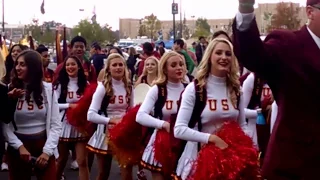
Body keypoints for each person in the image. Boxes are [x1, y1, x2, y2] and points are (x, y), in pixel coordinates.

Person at [233, 0, 320, 178]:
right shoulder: (289, 44)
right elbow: (253, 55)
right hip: (295, 164)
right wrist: (246, 8)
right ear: (310, 12)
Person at [173, 38, 248, 179]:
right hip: (199, 160)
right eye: (218, 53)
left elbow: (242, 125)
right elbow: (179, 129)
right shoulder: (195, 89)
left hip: (230, 161)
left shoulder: (237, 89)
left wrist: (248, 149)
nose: (224, 57)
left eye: (228, 54)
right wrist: (212, 139)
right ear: (209, 56)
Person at [3, 50, 61, 180]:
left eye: (22, 64)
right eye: (17, 64)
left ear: (33, 66)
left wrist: (47, 152)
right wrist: (19, 146)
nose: (18, 68)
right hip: (17, 148)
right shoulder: (8, 90)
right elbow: (4, 124)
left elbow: (56, 124)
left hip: (43, 146)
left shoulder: (48, 89)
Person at [136, 51, 187, 180]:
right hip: (162, 143)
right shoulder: (158, 89)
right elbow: (140, 116)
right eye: (173, 65)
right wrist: (163, 124)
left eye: (181, 64)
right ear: (164, 69)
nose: (179, 68)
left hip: (185, 144)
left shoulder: (190, 89)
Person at [87, 53, 134, 180]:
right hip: (105, 133)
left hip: (124, 133)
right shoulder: (103, 87)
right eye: (114, 65)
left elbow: (131, 111)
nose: (118, 68)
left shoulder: (129, 86)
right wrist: (111, 120)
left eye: (121, 65)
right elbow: (90, 115)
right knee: (103, 173)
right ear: (108, 69)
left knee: (127, 173)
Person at [54, 56, 90, 180]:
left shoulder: (86, 84)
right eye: (67, 65)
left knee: (82, 161)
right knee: (61, 160)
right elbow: (53, 105)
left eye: (73, 64)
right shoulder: (60, 84)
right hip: (64, 124)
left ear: (79, 66)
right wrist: (69, 105)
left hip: (80, 125)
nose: (70, 67)